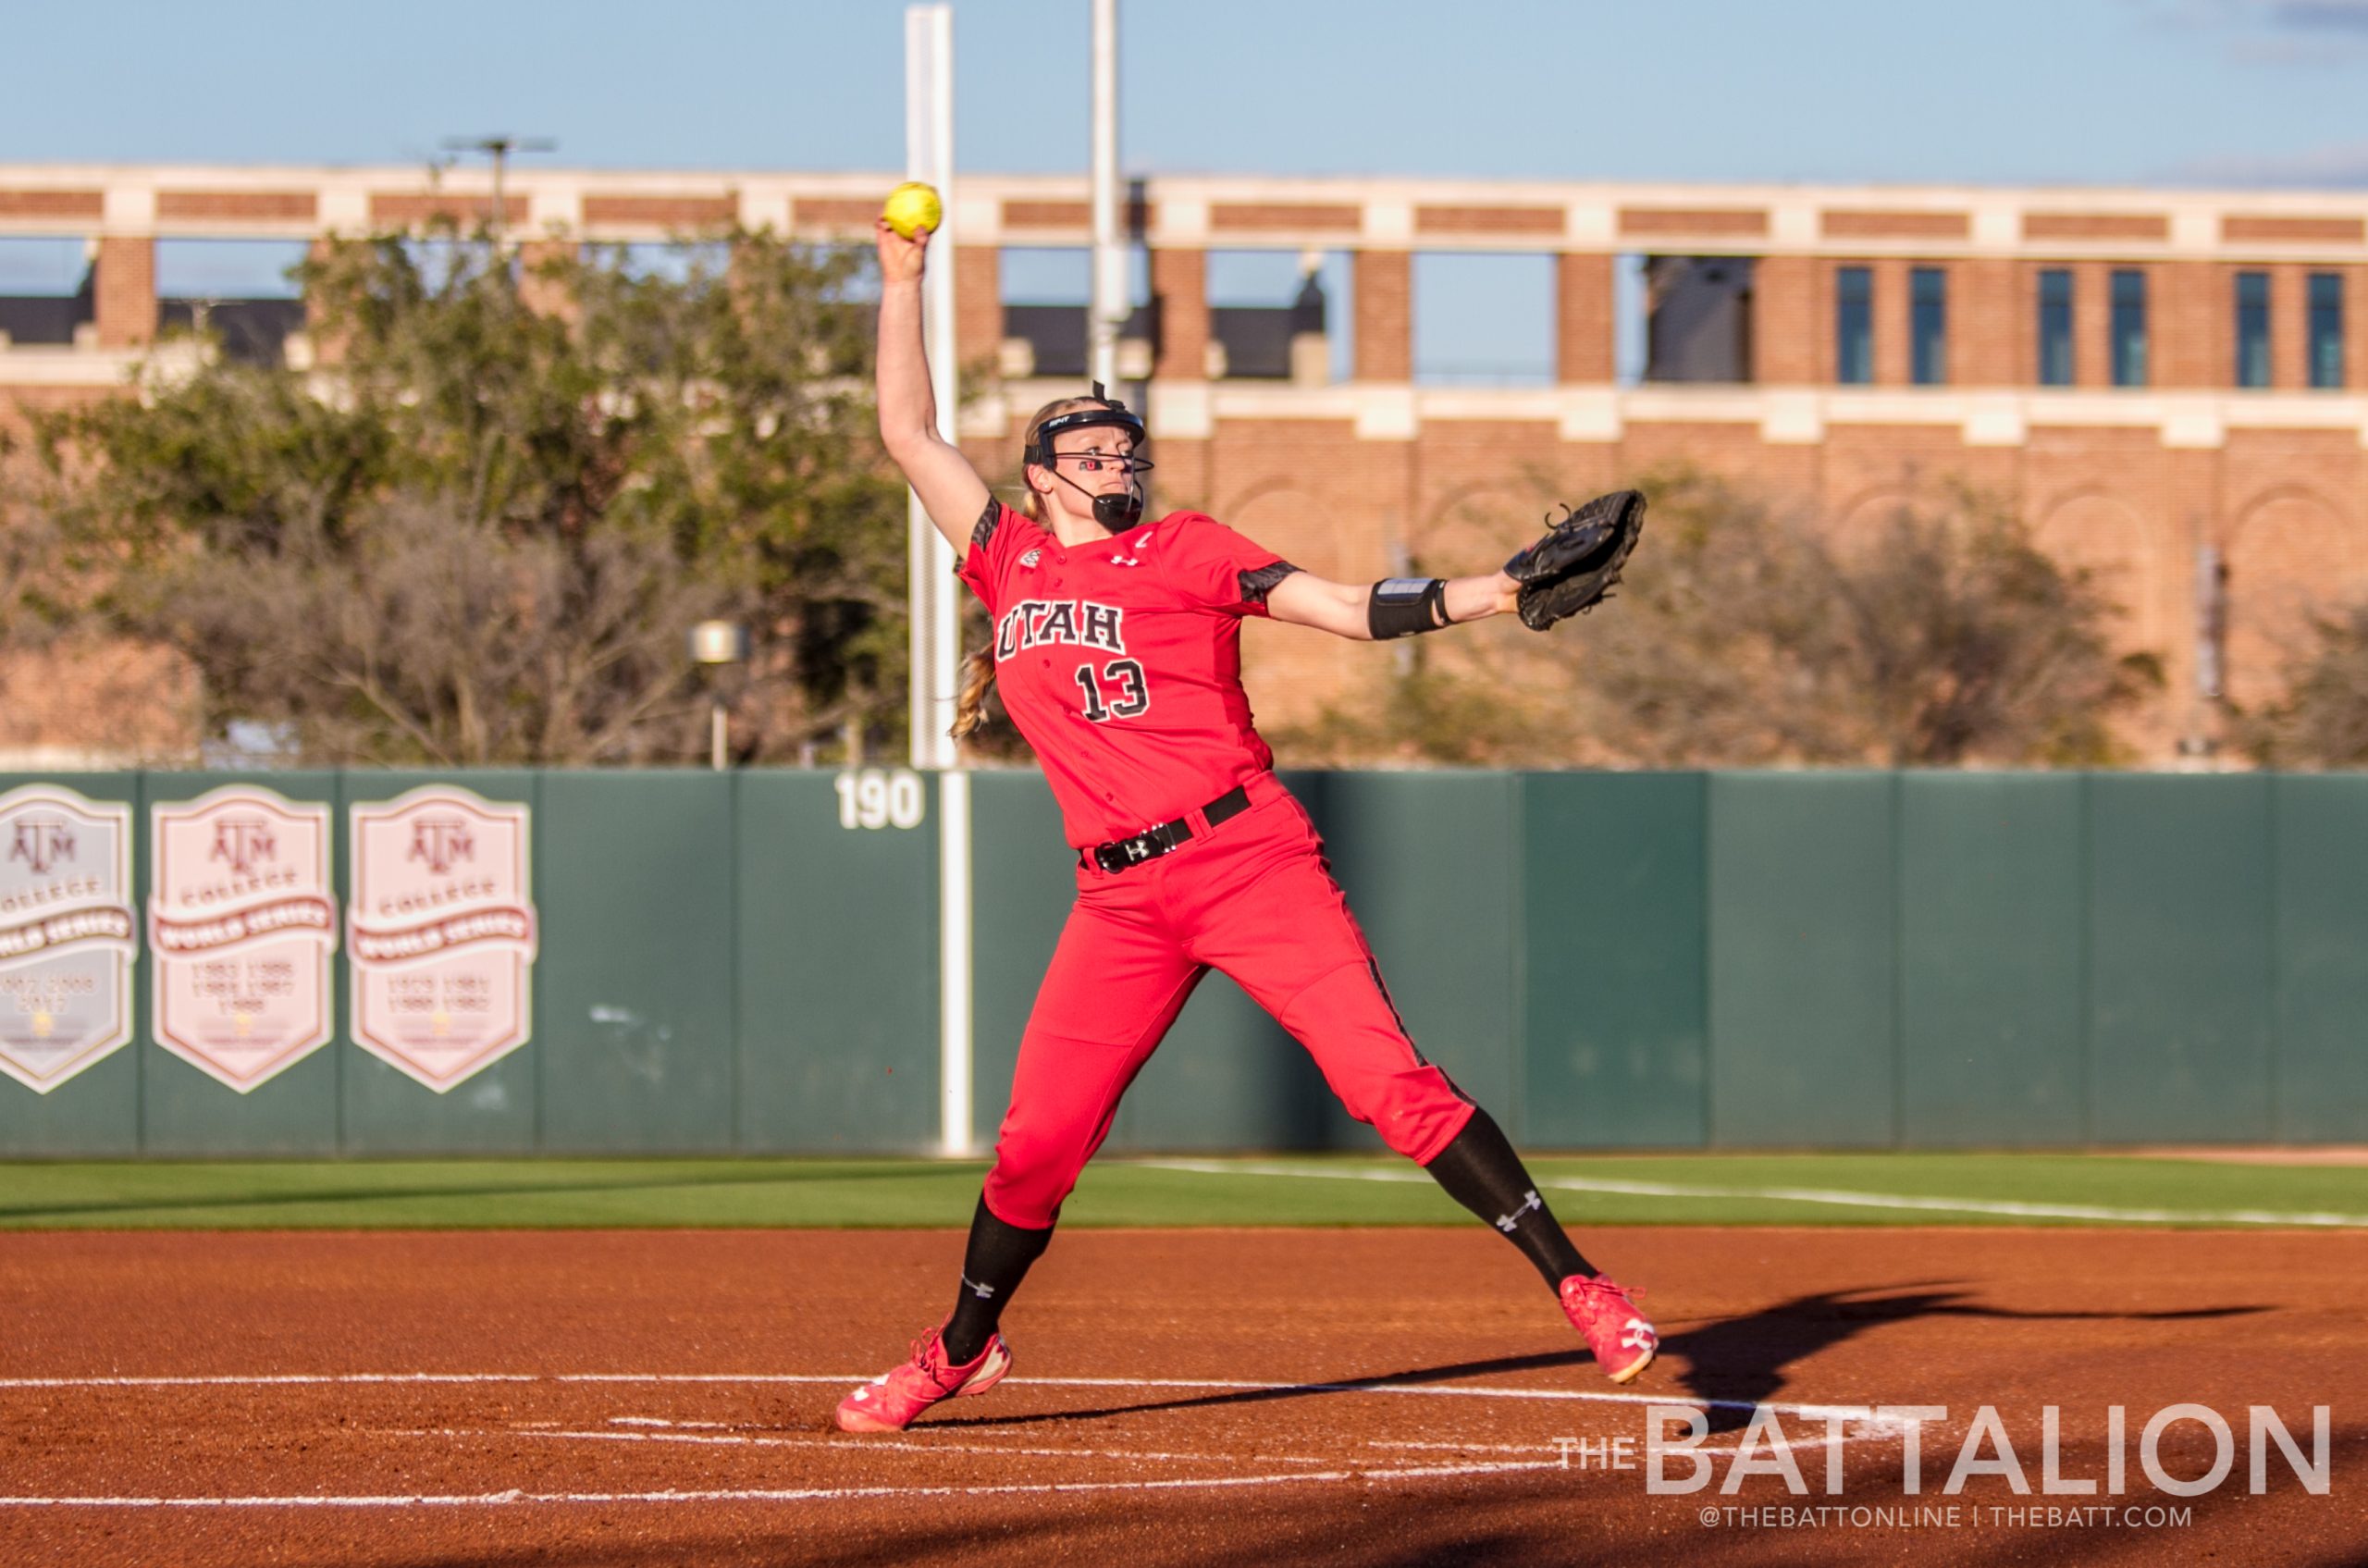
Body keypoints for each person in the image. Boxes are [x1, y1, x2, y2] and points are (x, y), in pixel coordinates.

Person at [837, 214, 1657, 1435]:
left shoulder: (1189, 549)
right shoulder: (1006, 561)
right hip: (1118, 899)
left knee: (1390, 1083)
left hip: (1246, 857)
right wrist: (901, 280)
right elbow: (909, 429)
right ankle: (959, 1349)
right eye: (1092, 445)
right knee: (1034, 1146)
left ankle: (1585, 1289)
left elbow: (1339, 609)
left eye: (1128, 445)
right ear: (1043, 474)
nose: (1119, 457)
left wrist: (1494, 588)